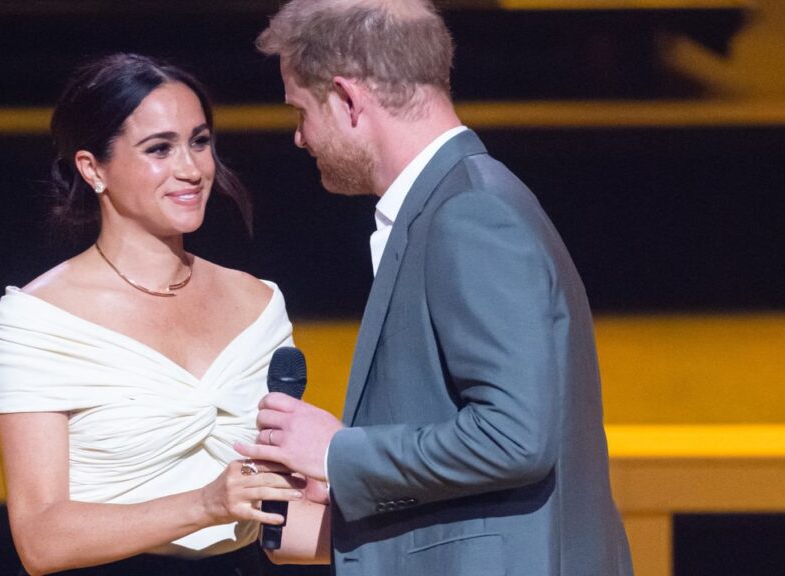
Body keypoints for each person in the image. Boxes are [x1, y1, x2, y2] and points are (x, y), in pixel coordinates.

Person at [236, 1, 635, 574]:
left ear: (347, 99)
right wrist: (356, 477)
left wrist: (337, 452)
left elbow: (514, 438)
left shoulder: (469, 214)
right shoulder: (460, 201)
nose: (299, 137)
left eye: (301, 110)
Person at [0, 53, 305, 576]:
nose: (191, 169)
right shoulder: (39, 319)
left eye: (199, 142)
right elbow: (40, 539)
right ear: (93, 169)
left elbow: (281, 523)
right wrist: (205, 504)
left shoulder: (257, 303)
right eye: (160, 149)